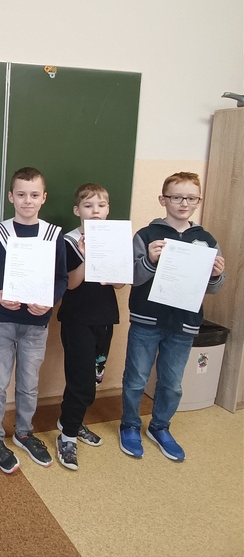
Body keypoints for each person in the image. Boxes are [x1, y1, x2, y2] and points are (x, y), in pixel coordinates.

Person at [119, 171, 225, 461]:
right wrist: (149, 260)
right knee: (136, 378)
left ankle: (160, 426)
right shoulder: (146, 235)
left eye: (191, 198)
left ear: (198, 201)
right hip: (147, 320)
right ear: (162, 199)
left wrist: (216, 275)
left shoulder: (206, 240)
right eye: (176, 197)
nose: (183, 203)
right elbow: (131, 277)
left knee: (172, 383)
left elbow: (214, 288)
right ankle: (129, 424)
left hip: (184, 324)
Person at [0, 166, 68, 474]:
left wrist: (49, 301)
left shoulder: (53, 235)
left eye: (34, 195)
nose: (27, 201)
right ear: (11, 197)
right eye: (21, 194)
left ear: (43, 198)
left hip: (36, 324)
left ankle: (24, 432)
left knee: (29, 385)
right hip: (2, 321)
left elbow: (61, 278)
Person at [55, 184, 123, 470]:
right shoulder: (67, 241)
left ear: (108, 210)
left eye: (101, 205)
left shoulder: (115, 239)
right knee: (80, 380)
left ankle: (71, 420)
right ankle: (67, 436)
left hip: (104, 318)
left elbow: (119, 283)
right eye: (88, 206)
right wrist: (87, 256)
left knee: (94, 377)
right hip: (77, 319)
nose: (96, 211)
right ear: (77, 210)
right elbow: (70, 283)